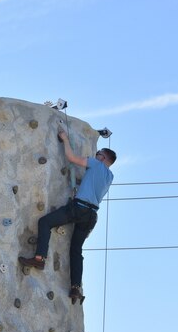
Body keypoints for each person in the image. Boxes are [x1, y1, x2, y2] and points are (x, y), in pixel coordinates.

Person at [18, 126, 116, 303]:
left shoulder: (95, 164)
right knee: (76, 250)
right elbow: (91, 184)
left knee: (45, 222)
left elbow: (71, 158)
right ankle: (75, 288)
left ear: (102, 157)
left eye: (98, 154)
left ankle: (40, 258)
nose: (95, 156)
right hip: (91, 215)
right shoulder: (110, 177)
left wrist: (64, 139)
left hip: (78, 207)